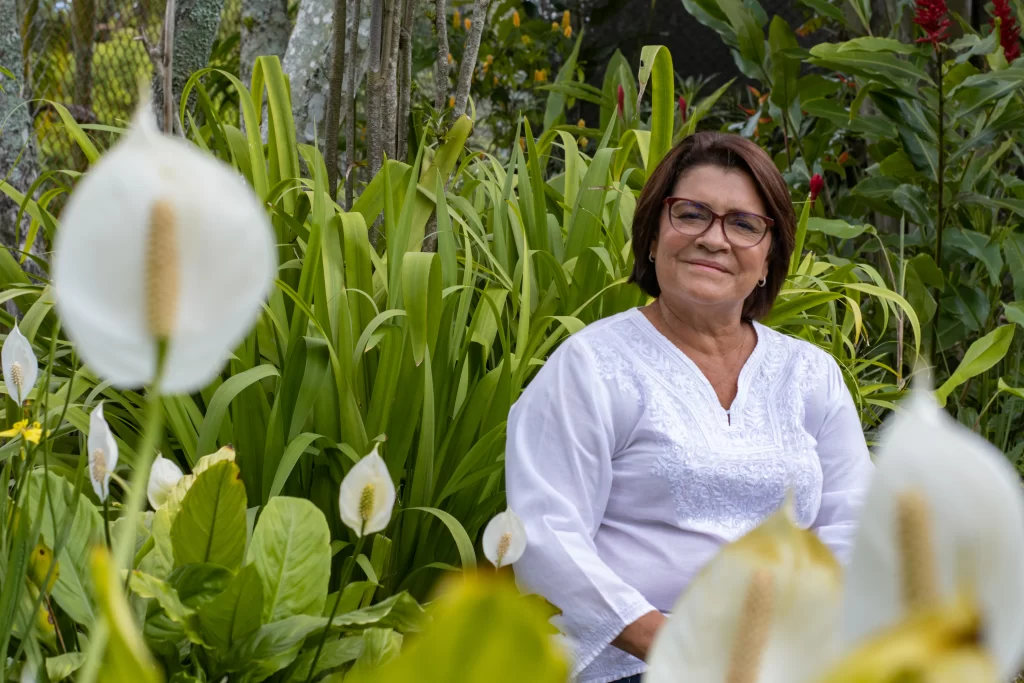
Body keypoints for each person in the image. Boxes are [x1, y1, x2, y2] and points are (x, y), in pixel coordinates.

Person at [504, 131, 874, 683]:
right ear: (653, 235)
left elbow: (854, 520)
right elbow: (544, 536)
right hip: (635, 663)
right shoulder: (591, 366)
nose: (714, 239)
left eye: (744, 224)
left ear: (769, 256)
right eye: (692, 214)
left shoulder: (809, 374)